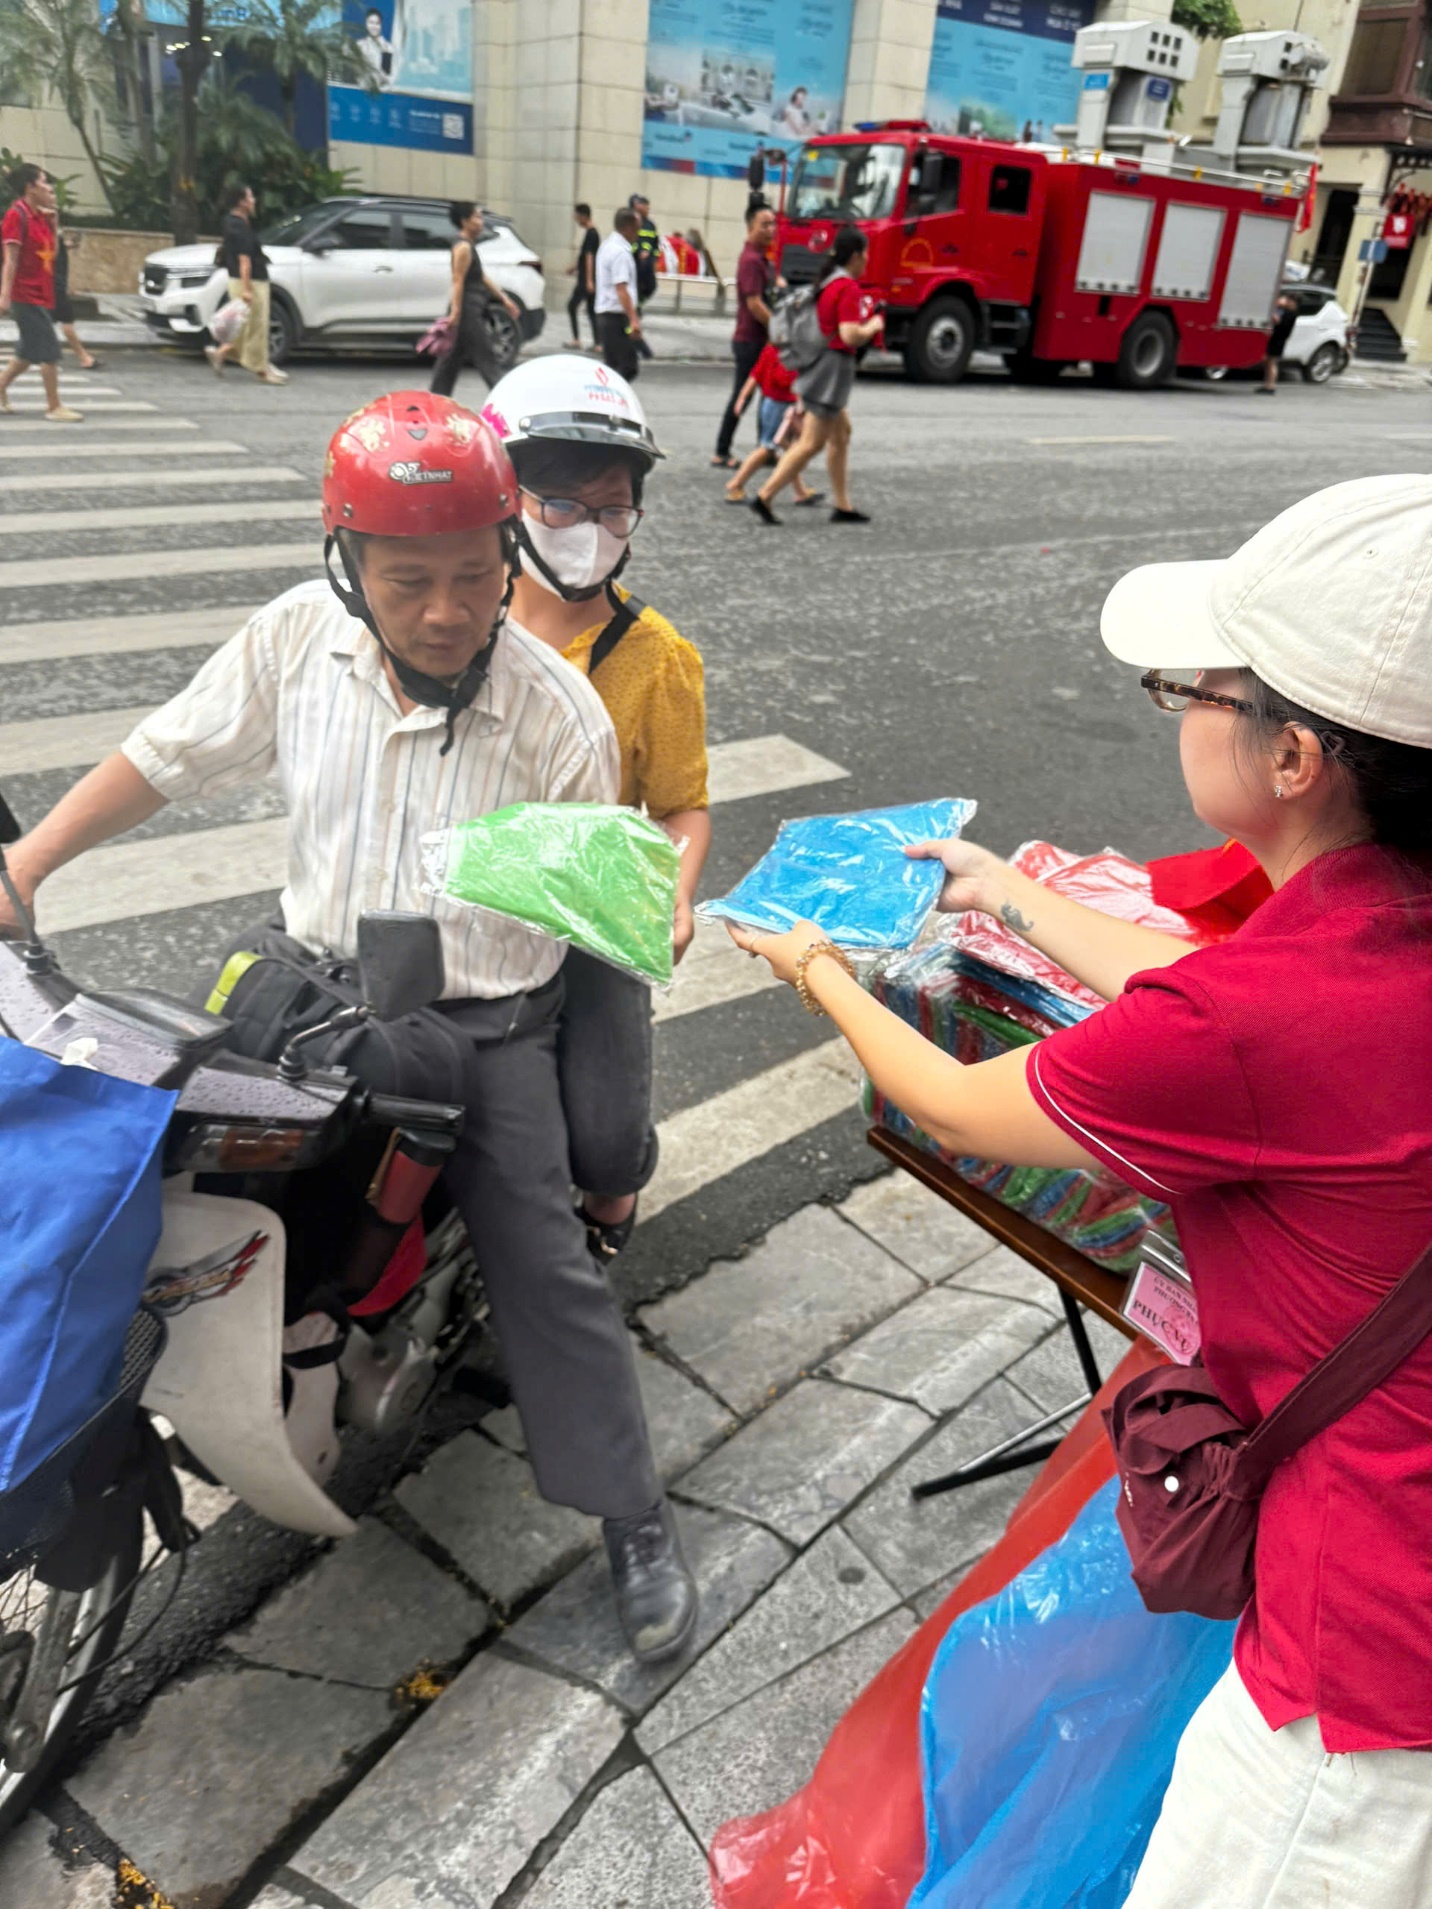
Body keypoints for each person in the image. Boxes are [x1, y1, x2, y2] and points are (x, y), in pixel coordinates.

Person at [732, 473, 1432, 1902]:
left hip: (1366, 1668)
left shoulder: (1249, 1024)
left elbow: (952, 1097)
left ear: (1296, 754)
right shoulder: (1377, 930)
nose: (1179, 711)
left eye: (1197, 688)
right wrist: (1005, 892)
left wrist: (811, 964)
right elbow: (1212, 992)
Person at [0, 390, 699, 1665]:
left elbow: (597, 916)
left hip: (488, 1026)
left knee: (541, 1259)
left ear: (508, 562)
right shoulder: (293, 642)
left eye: (474, 577)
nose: (445, 610)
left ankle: (632, 1514)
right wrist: (29, 864)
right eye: (406, 578)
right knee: (143, 1161)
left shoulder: (562, 718)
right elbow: (167, 754)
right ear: (348, 564)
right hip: (310, 991)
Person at [481, 354, 709, 1257]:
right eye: (563, 504)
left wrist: (675, 895)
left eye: (613, 508)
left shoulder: (655, 656)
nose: (591, 529)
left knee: (609, 1140)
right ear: (504, 497)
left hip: (591, 913)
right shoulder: (463, 617)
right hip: (471, 899)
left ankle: (608, 1222)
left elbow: (683, 806)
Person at [752, 224, 882, 525]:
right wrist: (873, 327)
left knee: (841, 434)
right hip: (831, 373)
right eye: (866, 254)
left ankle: (843, 505)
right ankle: (764, 496)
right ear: (856, 255)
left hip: (821, 369)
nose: (868, 260)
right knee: (811, 442)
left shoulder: (828, 283)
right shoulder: (847, 287)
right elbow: (849, 335)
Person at [0, 163, 82, 423]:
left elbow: (53, 256)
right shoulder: (17, 216)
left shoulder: (41, 217)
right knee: (49, 351)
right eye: (44, 182)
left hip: (43, 293)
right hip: (25, 295)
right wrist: (4, 295)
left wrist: (54, 222)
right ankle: (53, 406)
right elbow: (10, 260)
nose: (49, 187)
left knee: (26, 354)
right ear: (30, 188)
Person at [429, 202, 521, 399]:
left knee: (448, 363)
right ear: (465, 221)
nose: (481, 222)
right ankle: (506, 402)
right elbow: (458, 280)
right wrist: (455, 313)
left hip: (469, 310)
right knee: (487, 360)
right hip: (467, 312)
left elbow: (481, 276)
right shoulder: (462, 247)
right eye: (477, 217)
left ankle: (436, 400)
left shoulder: (469, 246)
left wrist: (504, 298)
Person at [713, 199, 775, 468]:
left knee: (767, 395)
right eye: (765, 224)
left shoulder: (762, 258)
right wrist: (779, 328)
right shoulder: (751, 260)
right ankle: (721, 451)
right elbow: (754, 304)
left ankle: (767, 447)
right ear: (751, 226)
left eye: (773, 224)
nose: (771, 229)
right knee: (744, 395)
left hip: (758, 340)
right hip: (751, 340)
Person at [205, 181, 285, 385]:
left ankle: (221, 353)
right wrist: (248, 290)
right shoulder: (239, 227)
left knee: (244, 327)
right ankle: (262, 371)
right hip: (251, 282)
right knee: (258, 327)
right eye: (250, 197)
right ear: (241, 202)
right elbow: (244, 260)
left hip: (241, 280)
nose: (253, 200)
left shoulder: (233, 222)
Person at [723, 341, 822, 507]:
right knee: (767, 448)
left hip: (770, 403)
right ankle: (736, 484)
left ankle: (801, 492)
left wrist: (742, 397)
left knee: (790, 451)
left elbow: (755, 374)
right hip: (781, 405)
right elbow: (784, 378)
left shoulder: (770, 348)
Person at [595, 207, 642, 381]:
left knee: (613, 367)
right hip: (615, 317)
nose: (638, 234)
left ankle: (608, 404)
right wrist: (633, 319)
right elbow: (621, 289)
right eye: (637, 229)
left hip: (606, 316)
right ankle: (612, 403)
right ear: (628, 227)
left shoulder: (607, 246)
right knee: (627, 367)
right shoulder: (620, 253)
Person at [50, 227, 100, 370]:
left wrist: (66, 245)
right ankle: (83, 357)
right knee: (67, 321)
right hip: (55, 285)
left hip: (56, 284)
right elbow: (51, 251)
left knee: (45, 323)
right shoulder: (47, 227)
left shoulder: (49, 229)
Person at [629, 194, 659, 361]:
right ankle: (641, 348)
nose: (647, 207)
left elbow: (655, 245)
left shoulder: (650, 225)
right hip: (635, 273)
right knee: (631, 316)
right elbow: (631, 245)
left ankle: (637, 345)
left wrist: (651, 257)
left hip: (646, 274)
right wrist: (638, 252)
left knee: (634, 311)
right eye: (644, 204)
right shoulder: (631, 225)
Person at [566, 202, 599, 349]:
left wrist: (589, 280)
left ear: (583, 216)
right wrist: (574, 267)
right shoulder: (592, 233)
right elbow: (585, 257)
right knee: (592, 311)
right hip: (588, 278)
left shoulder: (591, 234)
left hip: (586, 279)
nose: (576, 219)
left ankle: (576, 339)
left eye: (577, 216)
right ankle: (598, 343)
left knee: (572, 306)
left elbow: (589, 257)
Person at [1259, 290, 1298, 395]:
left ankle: (1271, 386)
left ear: (1293, 302)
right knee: (1268, 362)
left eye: (1289, 300)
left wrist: (1275, 318)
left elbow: (1281, 324)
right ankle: (1267, 384)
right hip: (1275, 338)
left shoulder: (1291, 314)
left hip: (1279, 340)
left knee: (1272, 362)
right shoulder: (1285, 310)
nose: (1286, 302)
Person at [356, 6, 394, 86]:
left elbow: (387, 74)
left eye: (377, 23)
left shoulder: (387, 48)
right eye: (371, 23)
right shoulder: (359, 46)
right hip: (361, 90)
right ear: (366, 24)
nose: (374, 27)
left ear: (381, 25)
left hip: (381, 91)